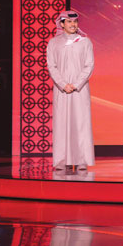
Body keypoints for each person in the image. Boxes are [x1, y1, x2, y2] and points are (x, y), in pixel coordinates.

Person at [46, 10, 95, 170]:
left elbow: (89, 65)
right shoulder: (53, 43)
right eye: (69, 22)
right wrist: (63, 84)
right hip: (61, 90)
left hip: (80, 89)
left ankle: (81, 160)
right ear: (62, 24)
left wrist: (75, 84)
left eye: (75, 22)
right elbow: (51, 66)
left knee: (80, 123)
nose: (73, 25)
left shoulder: (85, 42)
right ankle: (62, 160)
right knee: (62, 124)